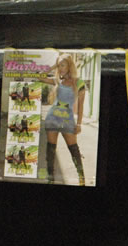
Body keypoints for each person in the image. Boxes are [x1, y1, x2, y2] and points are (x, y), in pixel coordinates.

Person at [41, 53, 87, 185]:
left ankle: (81, 179)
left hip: (67, 119)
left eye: (63, 64)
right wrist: (53, 66)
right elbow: (39, 76)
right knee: (50, 150)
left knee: (74, 149)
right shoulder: (57, 81)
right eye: (58, 65)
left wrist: (79, 124)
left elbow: (81, 105)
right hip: (52, 118)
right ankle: (51, 179)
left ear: (69, 65)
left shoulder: (79, 82)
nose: (60, 68)